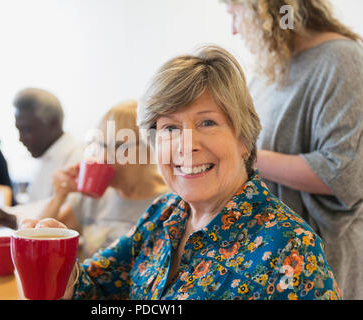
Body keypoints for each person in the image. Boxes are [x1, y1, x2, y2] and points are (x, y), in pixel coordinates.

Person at [20, 46, 340, 300]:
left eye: (207, 122)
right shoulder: (164, 213)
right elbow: (98, 288)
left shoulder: (289, 245)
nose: (186, 145)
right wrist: (62, 276)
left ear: (244, 140)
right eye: (171, 127)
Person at [224, 0, 363, 299]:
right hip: (267, 253)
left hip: (318, 261)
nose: (233, 29)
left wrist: (240, 154)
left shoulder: (342, 59)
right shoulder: (270, 68)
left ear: (266, 9)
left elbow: (342, 174)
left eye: (234, 13)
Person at [37, 100, 168, 259]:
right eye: (102, 145)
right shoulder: (93, 195)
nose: (104, 156)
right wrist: (59, 196)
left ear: (148, 148)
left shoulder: (170, 202)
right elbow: (37, 242)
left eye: (119, 146)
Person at [13, 87, 83, 202]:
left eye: (27, 130)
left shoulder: (77, 161)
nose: (21, 139)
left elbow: (61, 217)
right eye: (19, 130)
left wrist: (10, 217)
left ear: (53, 123)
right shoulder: (44, 157)